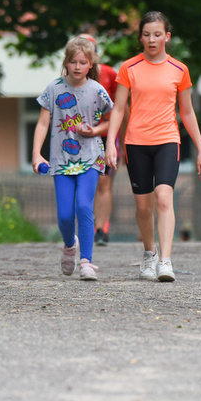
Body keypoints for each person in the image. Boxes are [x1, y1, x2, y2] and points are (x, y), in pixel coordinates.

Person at [106, 11, 201, 283]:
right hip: (136, 143)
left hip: (167, 140)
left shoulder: (179, 70)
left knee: (164, 197)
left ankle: (166, 260)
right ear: (140, 37)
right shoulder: (129, 68)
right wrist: (111, 144)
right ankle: (149, 254)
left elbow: (186, 113)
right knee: (143, 208)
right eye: (147, 34)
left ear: (167, 37)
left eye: (157, 34)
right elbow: (118, 109)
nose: (152, 39)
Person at [32, 37, 113, 280]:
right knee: (65, 214)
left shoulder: (97, 90)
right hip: (62, 160)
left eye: (83, 62)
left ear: (91, 65)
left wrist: (95, 131)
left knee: (83, 206)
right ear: (66, 63)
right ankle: (69, 246)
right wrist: (36, 154)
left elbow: (110, 121)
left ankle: (86, 262)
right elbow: (42, 122)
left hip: (91, 158)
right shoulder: (53, 89)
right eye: (73, 62)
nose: (77, 67)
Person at [79, 34, 123, 247]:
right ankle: (85, 227)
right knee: (83, 183)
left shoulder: (109, 73)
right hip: (78, 138)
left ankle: (101, 229)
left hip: (105, 137)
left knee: (104, 182)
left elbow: (120, 109)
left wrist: (120, 140)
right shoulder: (71, 75)